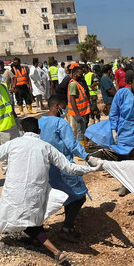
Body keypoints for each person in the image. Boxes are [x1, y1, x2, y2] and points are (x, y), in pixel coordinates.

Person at [0, 117, 93, 265]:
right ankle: (45, 244)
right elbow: (69, 167)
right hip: (35, 196)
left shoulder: (13, 144)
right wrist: (91, 168)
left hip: (13, 195)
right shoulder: (46, 147)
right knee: (31, 220)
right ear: (39, 131)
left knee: (28, 224)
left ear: (21, 130)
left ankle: (56, 252)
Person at [39, 95, 90, 241]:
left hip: (46, 168)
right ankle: (66, 228)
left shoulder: (40, 123)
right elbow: (71, 145)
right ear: (56, 106)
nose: (64, 110)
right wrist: (87, 157)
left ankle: (39, 232)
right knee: (78, 196)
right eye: (63, 107)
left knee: (58, 197)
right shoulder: (61, 123)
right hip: (63, 167)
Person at [67, 66, 92, 142]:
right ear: (74, 74)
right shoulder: (73, 84)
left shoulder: (77, 83)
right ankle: (80, 150)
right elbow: (72, 99)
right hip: (78, 112)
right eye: (79, 74)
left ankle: (83, 148)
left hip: (82, 111)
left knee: (82, 131)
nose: (81, 76)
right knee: (80, 132)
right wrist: (77, 114)